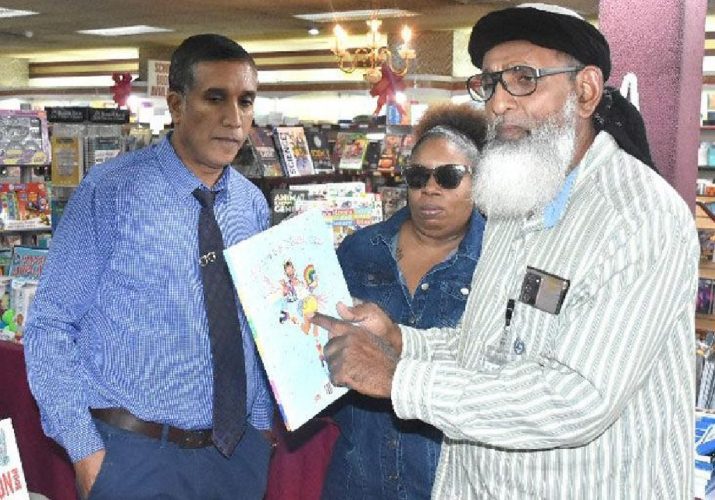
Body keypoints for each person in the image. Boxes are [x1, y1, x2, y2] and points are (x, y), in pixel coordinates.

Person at [313, 4, 698, 499]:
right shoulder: (515, 198)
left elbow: (575, 398)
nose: (497, 103)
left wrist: (396, 378)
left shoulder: (640, 218)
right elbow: (490, 343)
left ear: (585, 91)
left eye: (523, 79)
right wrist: (403, 341)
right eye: (491, 82)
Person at [24, 34, 274, 499]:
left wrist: (259, 432)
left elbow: (254, 326)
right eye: (215, 98)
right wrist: (87, 455)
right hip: (133, 456)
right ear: (176, 104)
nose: (233, 119)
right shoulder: (112, 191)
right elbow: (50, 326)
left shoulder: (251, 205)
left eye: (246, 101)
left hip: (234, 460)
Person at [322, 103, 488, 500]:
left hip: (449, 479)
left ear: (478, 182)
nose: (430, 189)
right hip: (358, 473)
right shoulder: (361, 250)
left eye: (448, 177)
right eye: (417, 176)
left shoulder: (497, 261)